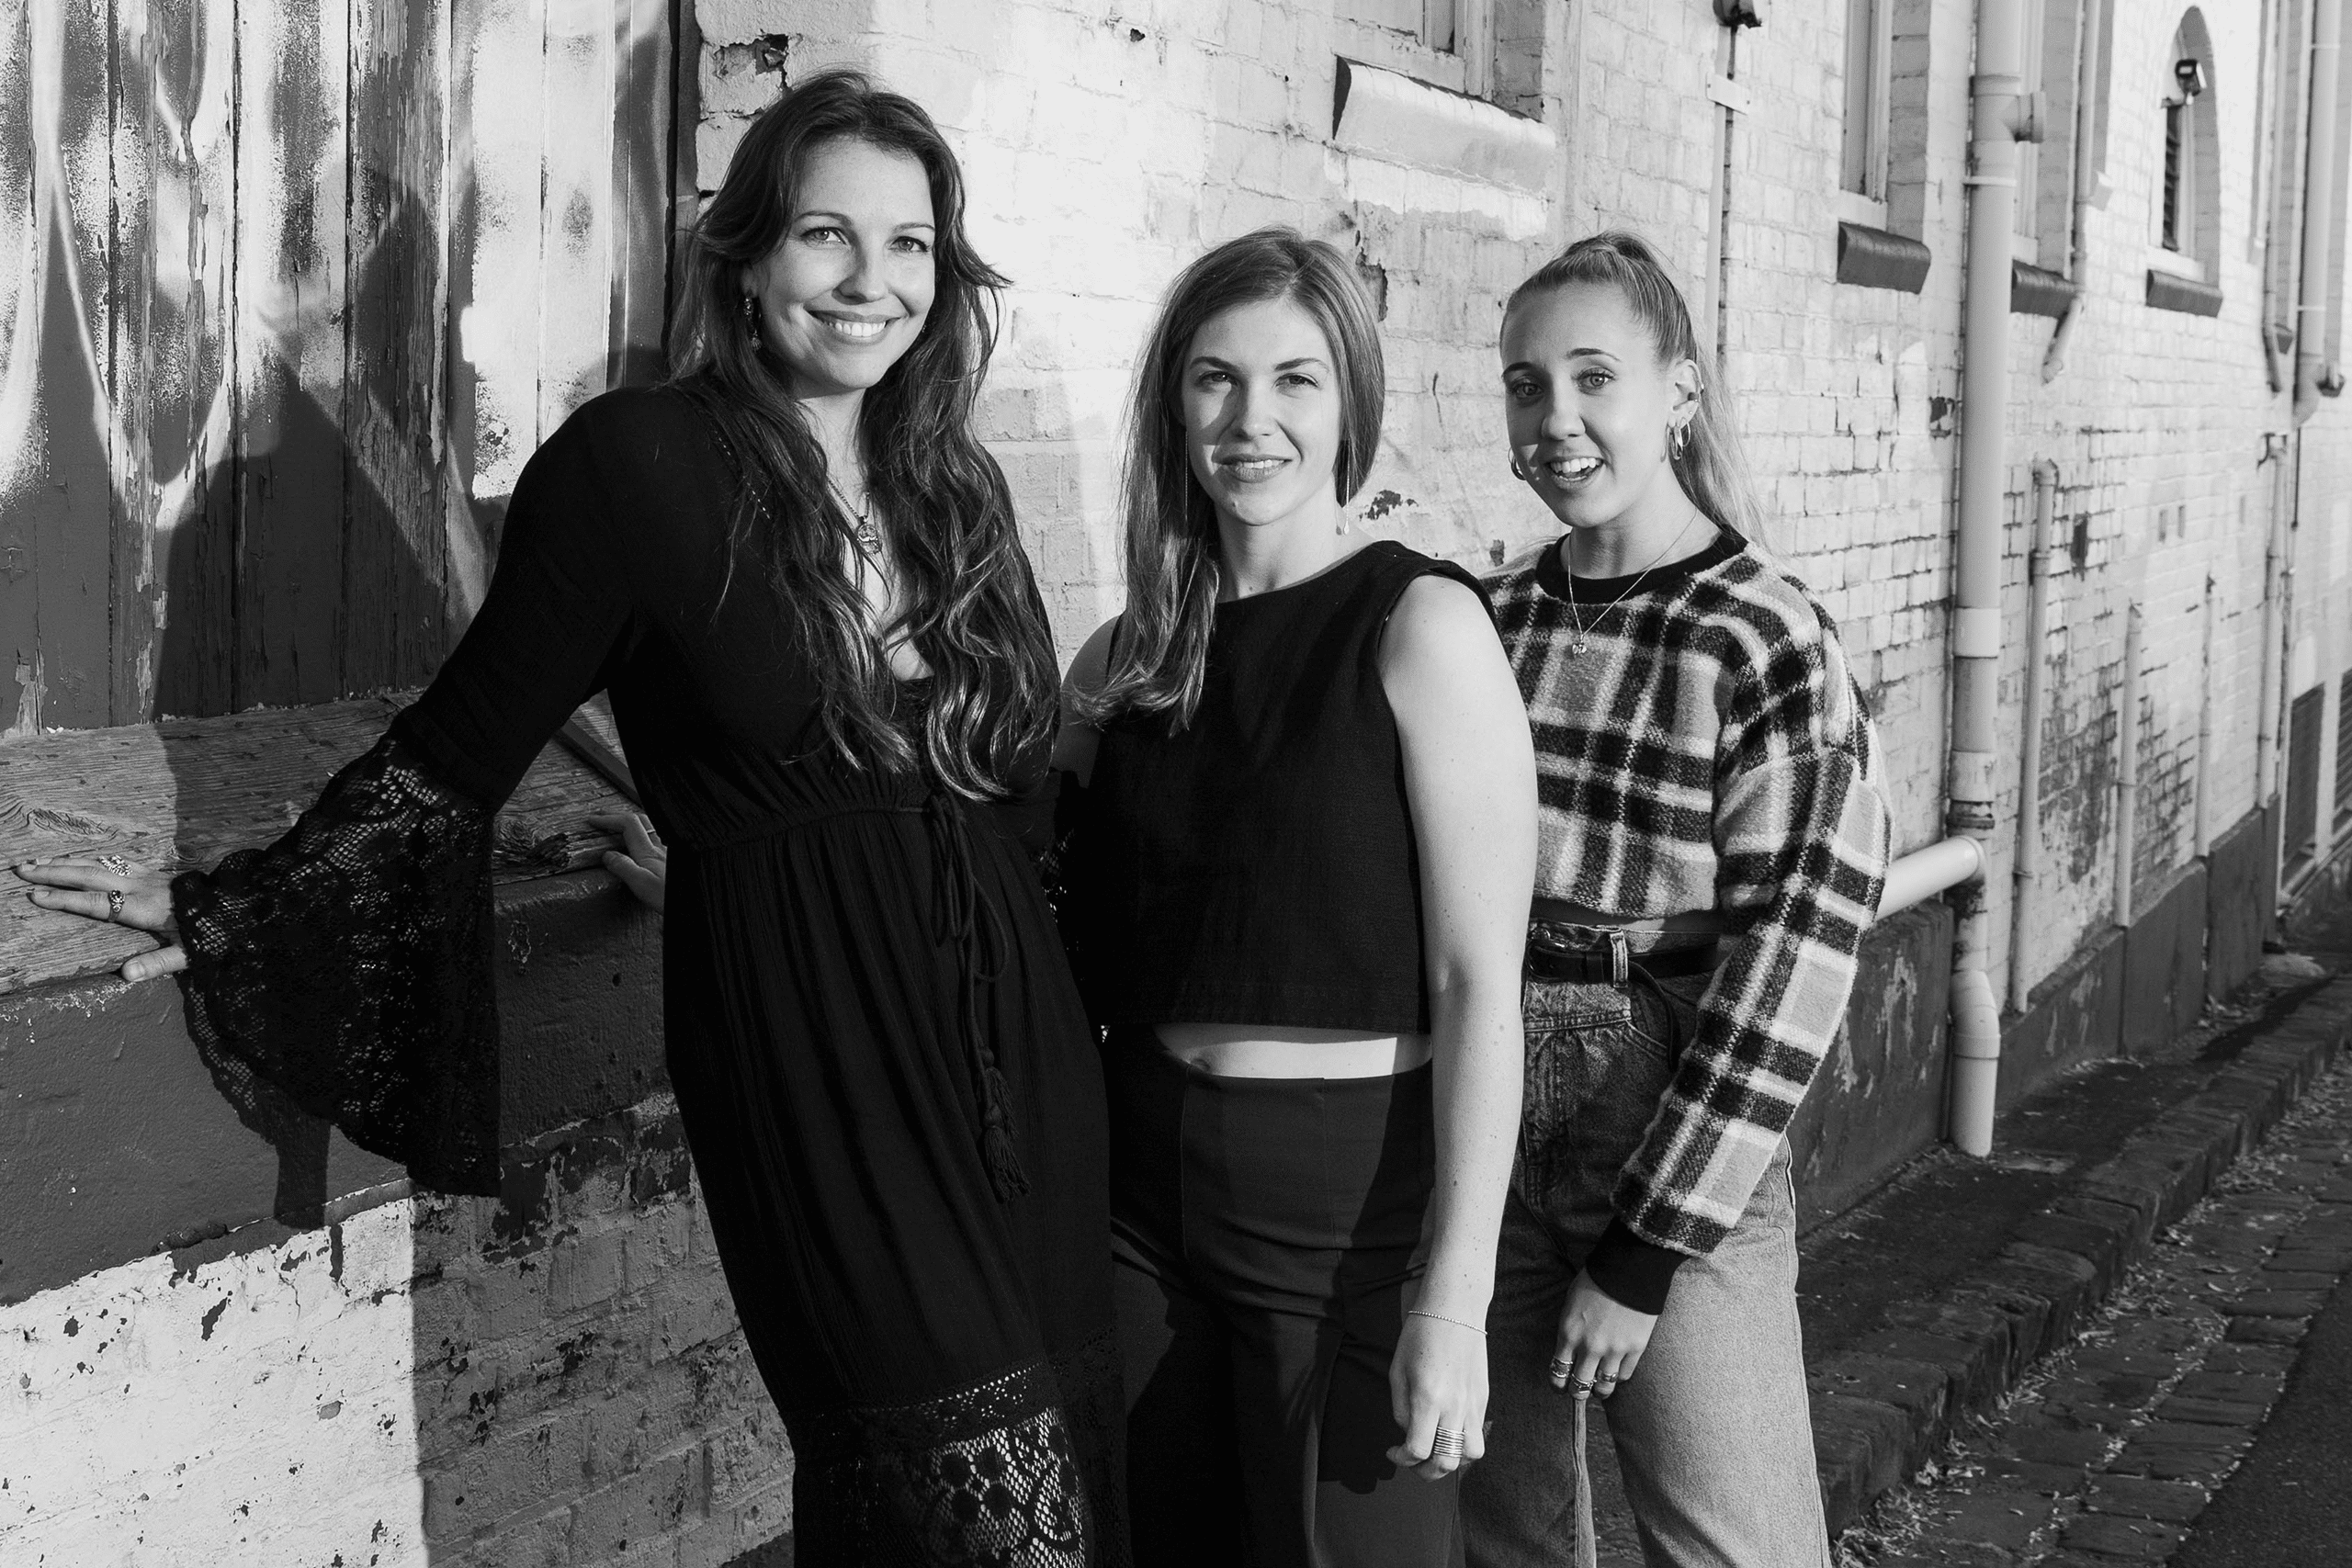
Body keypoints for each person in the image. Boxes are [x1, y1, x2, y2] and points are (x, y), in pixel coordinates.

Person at [15, 70, 1124, 1568]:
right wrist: (224, 901)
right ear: (742, 256)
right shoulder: (637, 468)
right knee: (978, 1509)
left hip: (1020, 1058)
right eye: (825, 235)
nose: (873, 283)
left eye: (912, 244)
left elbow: (1013, 807)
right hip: (813, 1053)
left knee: (1068, 1456)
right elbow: (457, 749)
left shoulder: (959, 490)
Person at [1055, 230, 1537, 1568]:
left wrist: (1454, 1291)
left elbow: (1480, 985)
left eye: (1295, 380)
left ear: (1349, 406)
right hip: (1139, 1192)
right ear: (1173, 404)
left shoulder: (1420, 626)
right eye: (1214, 379)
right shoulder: (1127, 657)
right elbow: (995, 875)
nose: (1250, 418)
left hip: (1348, 1195)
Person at [1458, 231, 1890, 1568]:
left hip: (1668, 1107)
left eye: (1595, 378)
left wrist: (1644, 1253)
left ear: (1681, 392)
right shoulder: (1485, 615)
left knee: (1731, 1542)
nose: (1557, 419)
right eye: (1527, 385)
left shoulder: (1759, 631)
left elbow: (1796, 959)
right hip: (1480, 1110)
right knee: (1502, 1535)